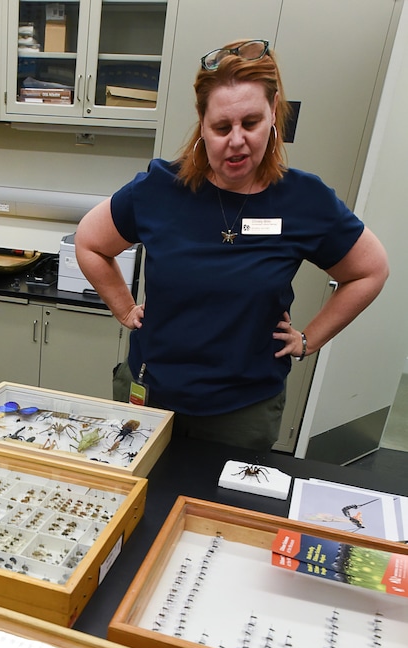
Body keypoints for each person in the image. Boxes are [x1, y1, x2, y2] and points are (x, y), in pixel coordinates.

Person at [74, 39, 389, 450]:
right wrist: (123, 305)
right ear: (202, 124)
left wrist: (309, 339)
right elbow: (89, 242)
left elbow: (370, 270)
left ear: (273, 115)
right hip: (149, 396)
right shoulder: (159, 189)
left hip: (242, 414)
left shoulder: (304, 200)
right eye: (222, 127)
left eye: (251, 122)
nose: (236, 140)